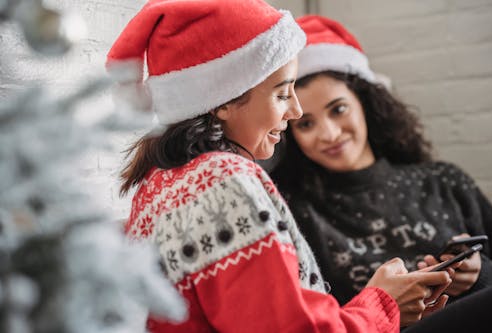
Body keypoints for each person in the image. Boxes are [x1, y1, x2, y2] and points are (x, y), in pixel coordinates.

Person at [107, 2, 453, 332]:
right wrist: (384, 303)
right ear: (223, 100)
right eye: (282, 93)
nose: (296, 111)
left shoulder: (155, 184)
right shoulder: (224, 181)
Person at [270, 14, 492, 317]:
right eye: (306, 124)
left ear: (366, 103)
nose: (329, 134)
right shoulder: (290, 209)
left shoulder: (444, 181)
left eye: (338, 110)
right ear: (289, 133)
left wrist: (480, 274)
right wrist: (381, 307)